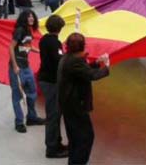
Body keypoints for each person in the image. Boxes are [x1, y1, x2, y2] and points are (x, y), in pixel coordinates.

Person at [57, 33, 110, 165]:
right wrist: (106, 66)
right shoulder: (75, 61)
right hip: (75, 106)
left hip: (68, 104)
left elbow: (83, 72)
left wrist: (96, 63)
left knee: (74, 138)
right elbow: (91, 75)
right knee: (86, 137)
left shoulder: (68, 58)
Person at [8, 10, 46, 133]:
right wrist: (14, 65)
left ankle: (31, 117)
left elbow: (26, 47)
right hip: (18, 68)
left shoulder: (29, 31)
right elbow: (11, 47)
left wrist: (40, 51)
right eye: (28, 16)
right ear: (24, 18)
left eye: (32, 16)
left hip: (26, 66)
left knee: (32, 92)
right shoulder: (19, 30)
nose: (31, 18)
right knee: (17, 96)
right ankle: (19, 122)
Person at [38, 14, 68, 159]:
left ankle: (57, 142)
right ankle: (52, 148)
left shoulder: (44, 40)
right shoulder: (55, 43)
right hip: (51, 81)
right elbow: (58, 61)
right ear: (59, 28)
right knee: (53, 115)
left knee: (55, 114)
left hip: (45, 79)